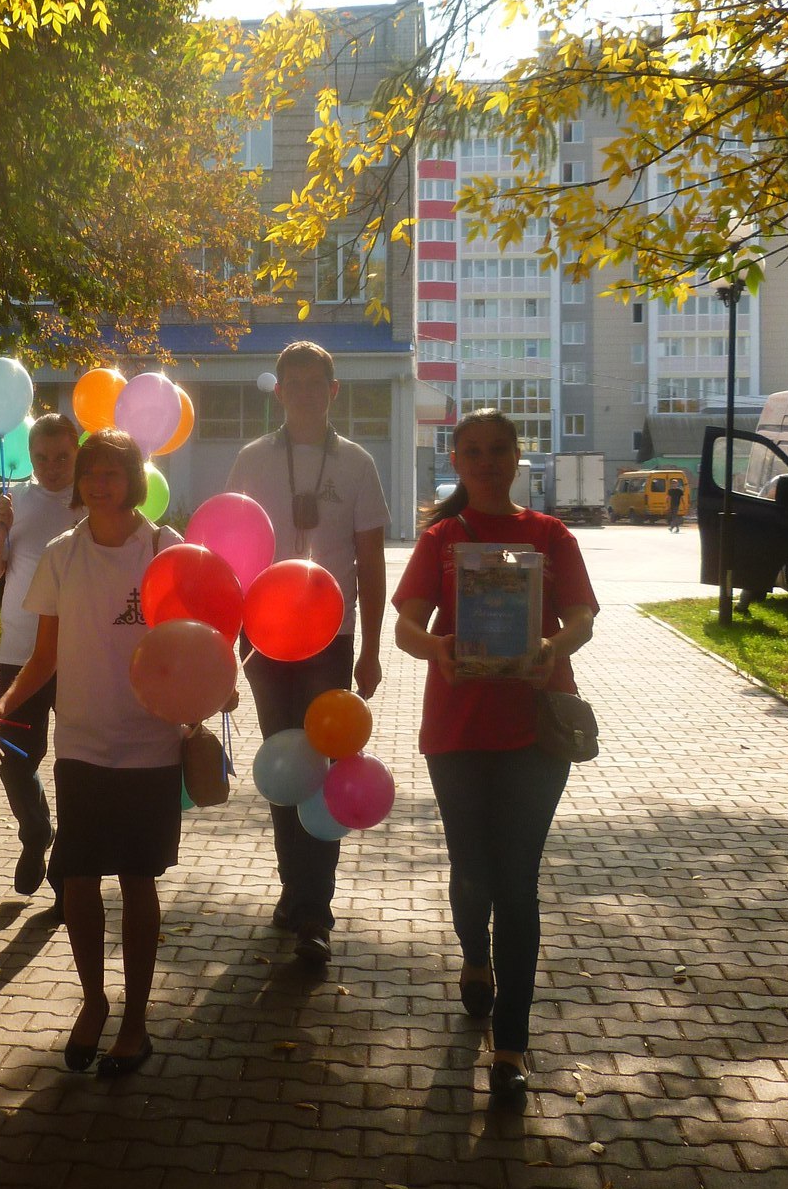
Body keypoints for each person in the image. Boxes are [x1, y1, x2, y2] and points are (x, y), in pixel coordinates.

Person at [392, 409, 598, 1106]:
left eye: (498, 450)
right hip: (457, 728)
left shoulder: (550, 536)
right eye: (473, 452)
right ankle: (475, 962)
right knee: (472, 873)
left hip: (534, 734)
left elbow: (582, 619)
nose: (486, 461)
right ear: (457, 460)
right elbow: (406, 628)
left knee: (516, 883)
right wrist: (439, 648)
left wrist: (552, 649)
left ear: (516, 456)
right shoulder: (443, 540)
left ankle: (510, 1046)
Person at [0, 429, 185, 1076]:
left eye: (113, 471)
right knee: (81, 880)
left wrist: (211, 690)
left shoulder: (165, 549)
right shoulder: (62, 553)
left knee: (139, 880)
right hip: (82, 743)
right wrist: (5, 705)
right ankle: (93, 1003)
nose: (98, 482)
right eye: (91, 471)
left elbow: (192, 640)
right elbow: (46, 654)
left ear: (134, 478)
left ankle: (137, 1022)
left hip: (150, 743)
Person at [226, 340, 389, 969]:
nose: (300, 394)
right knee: (281, 765)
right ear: (280, 392)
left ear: (332, 390)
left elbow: (371, 564)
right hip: (263, 639)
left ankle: (314, 910)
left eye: (312, 383)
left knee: (318, 767)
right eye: (290, 383)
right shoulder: (250, 460)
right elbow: (229, 556)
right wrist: (223, 647)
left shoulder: (355, 464)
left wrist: (371, 648)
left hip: (329, 641)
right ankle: (296, 888)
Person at [0, 412, 80, 916]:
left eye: (63, 456)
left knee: (78, 769)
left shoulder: (92, 502)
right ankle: (37, 831)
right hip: (21, 655)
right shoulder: (15, 504)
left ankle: (68, 874)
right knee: (17, 759)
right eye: (43, 457)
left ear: (76, 452)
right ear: (29, 457)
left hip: (84, 658)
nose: (54, 466)